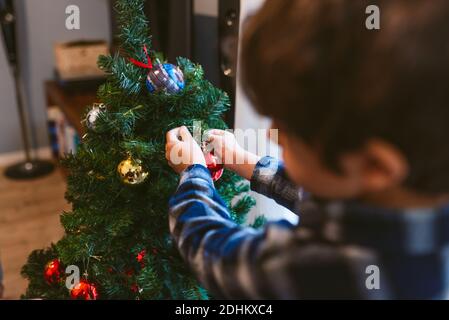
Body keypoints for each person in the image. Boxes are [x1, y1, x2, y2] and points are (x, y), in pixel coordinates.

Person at [165, 0, 449, 299]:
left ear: (375, 166)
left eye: (289, 129)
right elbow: (329, 197)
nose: (272, 134)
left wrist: (193, 173)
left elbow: (216, 256)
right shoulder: (416, 206)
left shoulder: (335, 270)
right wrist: (243, 161)